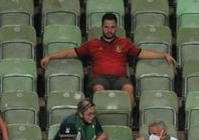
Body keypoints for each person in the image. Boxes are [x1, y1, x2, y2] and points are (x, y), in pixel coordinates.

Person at [40, 12, 175, 105]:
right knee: (98, 90)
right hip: (99, 78)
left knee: (129, 89)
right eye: (106, 27)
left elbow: (142, 53)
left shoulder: (124, 43)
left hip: (119, 78)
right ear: (102, 27)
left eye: (112, 27)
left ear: (116, 28)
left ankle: (128, 120)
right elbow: (71, 52)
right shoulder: (92, 44)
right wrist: (50, 56)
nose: (109, 30)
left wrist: (163, 55)